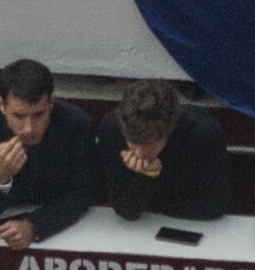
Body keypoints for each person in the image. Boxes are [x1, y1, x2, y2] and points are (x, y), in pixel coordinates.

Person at [0, 56, 97, 240]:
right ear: (1, 105)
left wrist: (35, 226)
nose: (29, 128)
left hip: (59, 227)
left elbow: (81, 194)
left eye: (38, 115)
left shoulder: (77, 125)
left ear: (51, 103)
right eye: (19, 116)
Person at [95, 81, 235, 221]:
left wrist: (151, 204)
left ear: (170, 130)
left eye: (150, 145)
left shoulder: (202, 133)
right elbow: (125, 210)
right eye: (133, 142)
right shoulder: (111, 129)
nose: (139, 153)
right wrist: (148, 175)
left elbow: (215, 205)